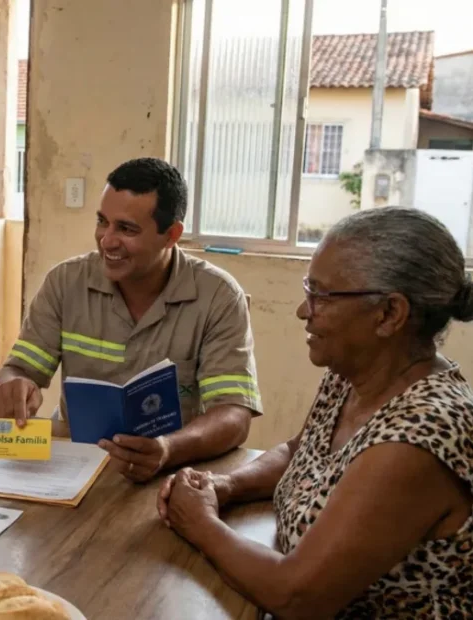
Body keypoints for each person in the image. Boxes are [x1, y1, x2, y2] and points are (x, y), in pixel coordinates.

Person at [159, 207, 473, 618]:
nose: (303, 311)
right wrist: (225, 487)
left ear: (389, 314)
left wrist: (199, 523)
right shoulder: (353, 375)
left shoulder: (420, 437)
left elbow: (297, 596)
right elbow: (300, 452)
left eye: (321, 296)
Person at [0, 157, 262, 482]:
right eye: (103, 221)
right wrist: (12, 386)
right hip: (72, 466)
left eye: (127, 229)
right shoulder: (65, 283)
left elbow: (233, 414)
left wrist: (168, 449)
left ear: (171, 234)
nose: (107, 240)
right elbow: (20, 369)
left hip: (170, 472)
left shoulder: (217, 295)